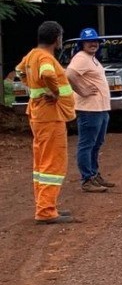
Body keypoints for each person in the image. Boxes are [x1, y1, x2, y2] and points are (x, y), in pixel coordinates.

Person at [16, 21, 77, 224]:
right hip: (50, 116)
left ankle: (45, 206)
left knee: (42, 164)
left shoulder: (32, 55)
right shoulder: (44, 58)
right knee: (53, 162)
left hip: (39, 115)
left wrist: (36, 89)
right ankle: (46, 211)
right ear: (57, 37)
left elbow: (19, 71)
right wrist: (54, 91)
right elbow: (48, 74)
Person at [66, 28, 116, 193]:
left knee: (96, 144)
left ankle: (94, 175)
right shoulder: (81, 58)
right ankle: (87, 179)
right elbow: (69, 74)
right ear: (82, 44)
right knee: (87, 144)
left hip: (100, 109)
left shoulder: (92, 59)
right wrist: (81, 90)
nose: (93, 44)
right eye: (89, 41)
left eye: (95, 41)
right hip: (89, 110)